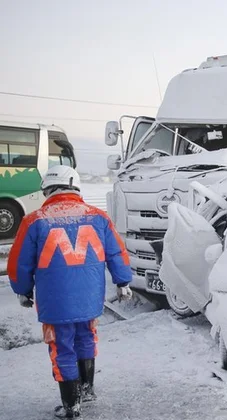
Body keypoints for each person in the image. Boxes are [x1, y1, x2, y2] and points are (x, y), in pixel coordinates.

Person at [8, 165, 133, 418]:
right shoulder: (98, 216)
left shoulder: (34, 221)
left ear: (48, 190)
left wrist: (22, 290)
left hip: (56, 303)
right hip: (89, 299)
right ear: (74, 185)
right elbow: (116, 252)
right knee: (86, 338)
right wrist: (123, 282)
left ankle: (71, 406)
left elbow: (19, 261)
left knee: (62, 346)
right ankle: (87, 391)